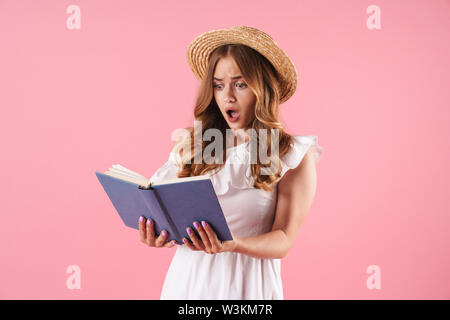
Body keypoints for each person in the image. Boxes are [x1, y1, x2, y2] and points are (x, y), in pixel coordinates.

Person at [138, 26, 323, 299]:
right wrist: (160, 231)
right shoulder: (191, 146)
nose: (228, 96)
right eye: (218, 85)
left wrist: (234, 244)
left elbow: (283, 238)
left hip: (246, 289)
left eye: (240, 84)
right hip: (187, 285)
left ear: (263, 88)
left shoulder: (291, 153)